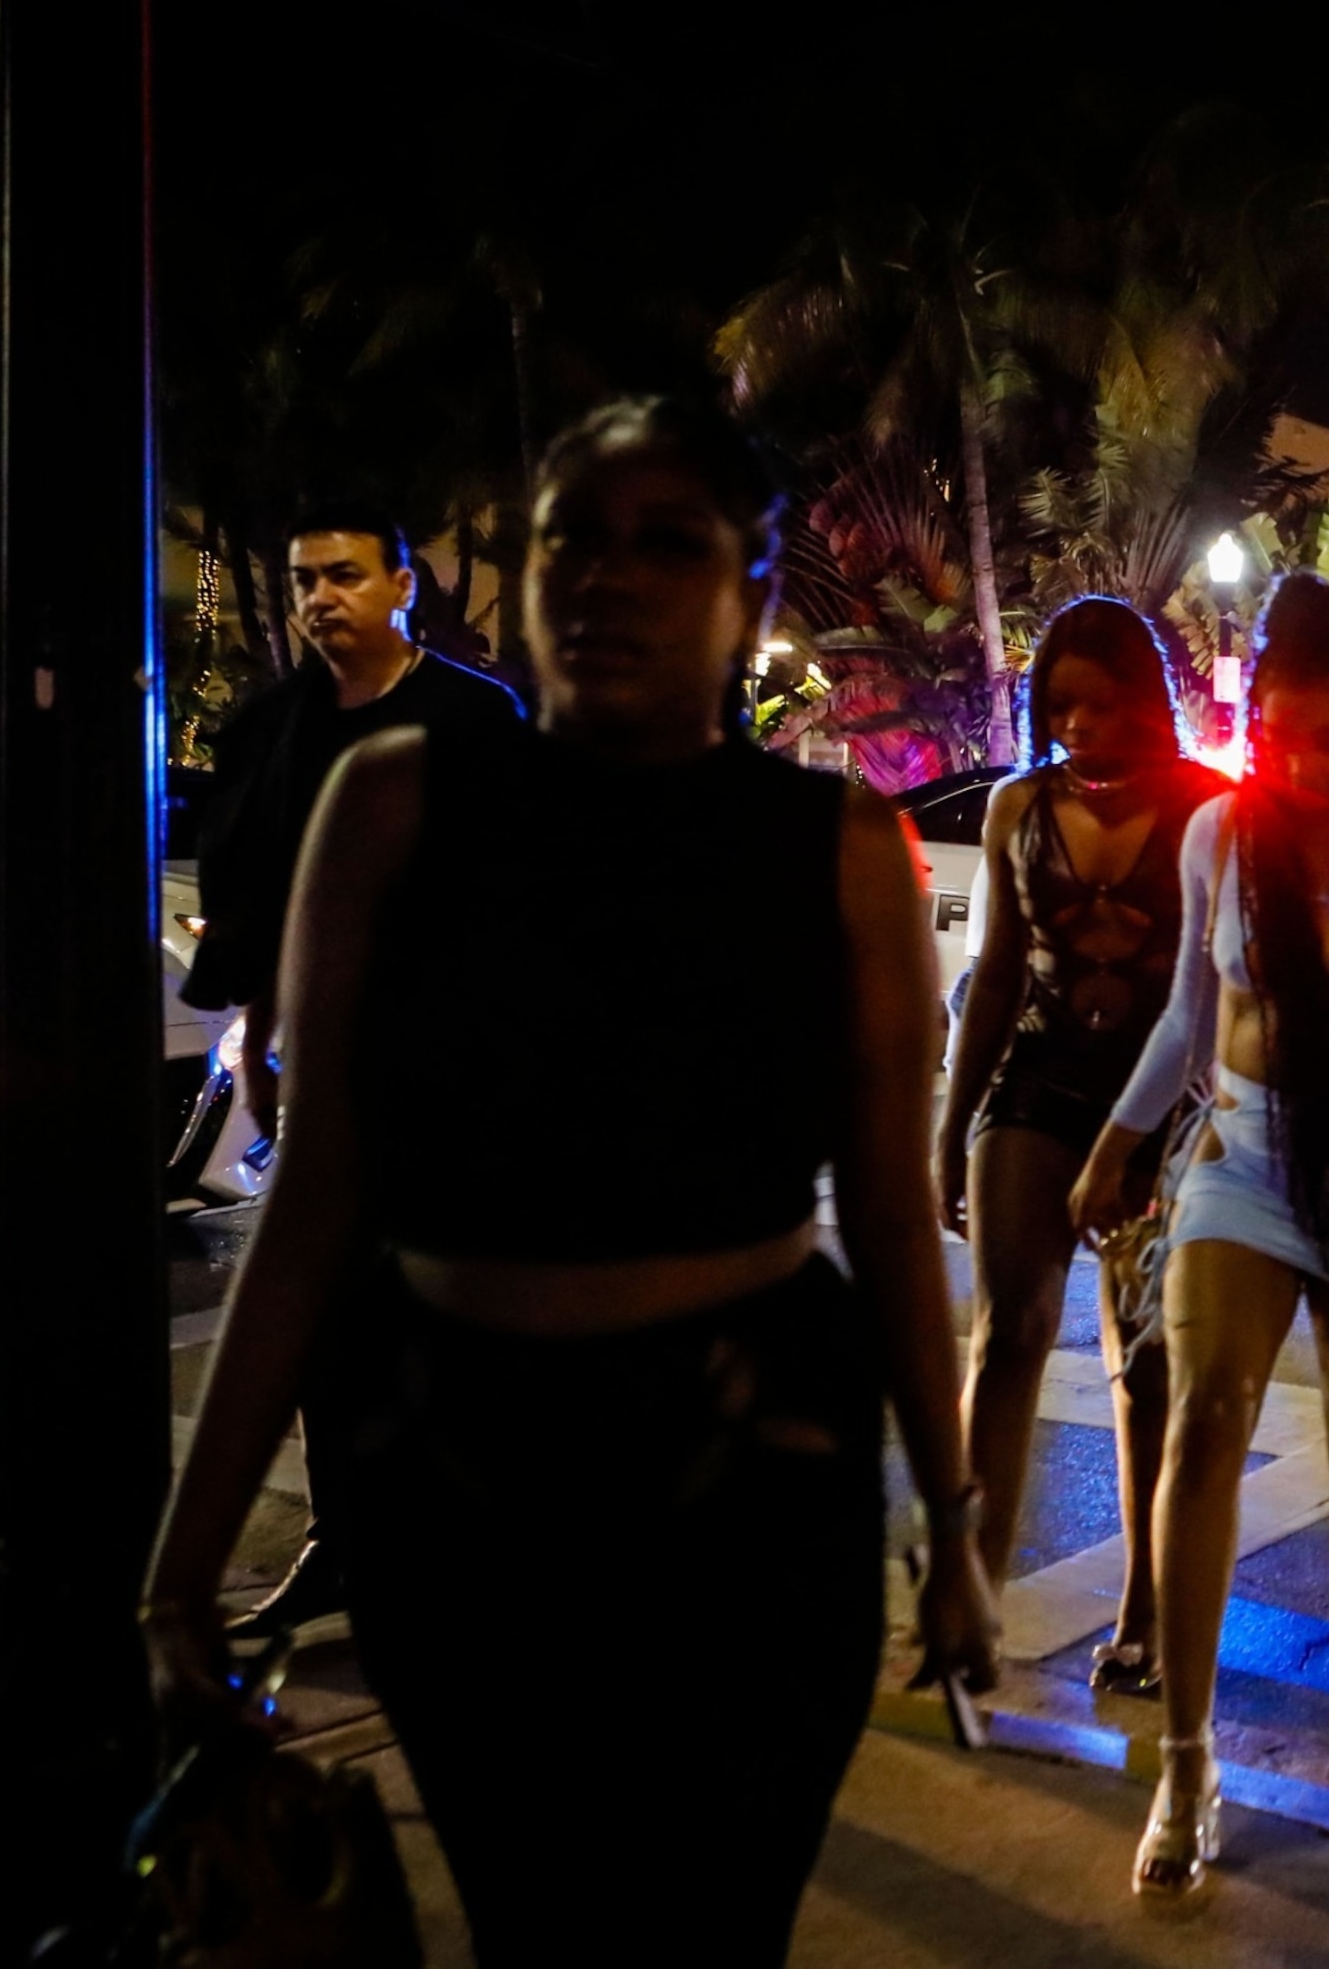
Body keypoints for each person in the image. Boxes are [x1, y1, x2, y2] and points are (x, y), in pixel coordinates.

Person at [142, 397, 997, 1966]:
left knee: (708, 1929)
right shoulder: (395, 803)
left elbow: (887, 1208)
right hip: (461, 1488)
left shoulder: (838, 847)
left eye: (666, 543)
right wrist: (184, 1564)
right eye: (570, 542)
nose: (607, 578)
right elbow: (315, 1192)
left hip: (749, 1481)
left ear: (750, 585)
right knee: (536, 1918)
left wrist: (951, 1521)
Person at [1070, 575, 1329, 1895]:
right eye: (1277, 736)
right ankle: (1187, 1760)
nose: (1297, 763)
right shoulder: (1220, 838)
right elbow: (1189, 1018)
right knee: (1204, 1415)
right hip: (1242, 1157)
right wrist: (1115, 1142)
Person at [182, 497, 524, 1638]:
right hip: (326, 1074)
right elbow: (264, 901)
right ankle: (341, 1543)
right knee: (326, 1325)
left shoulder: (472, 719)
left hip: (452, 1076)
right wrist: (264, 1046)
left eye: (343, 575)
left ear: (400, 587)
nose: (321, 597)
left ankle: (455, 1555)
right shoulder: (280, 725)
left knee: (445, 1321)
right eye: (302, 580)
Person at [939, 597, 1225, 1698]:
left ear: (1144, 699)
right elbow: (996, 978)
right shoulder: (1020, 805)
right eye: (1059, 704)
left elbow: (1218, 983)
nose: (1079, 725)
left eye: (1101, 703)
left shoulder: (1207, 806)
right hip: (1034, 1081)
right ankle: (970, 1596)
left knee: (1148, 1362)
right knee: (1005, 1335)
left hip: (1161, 1104)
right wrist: (949, 1127)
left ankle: (1145, 1612)